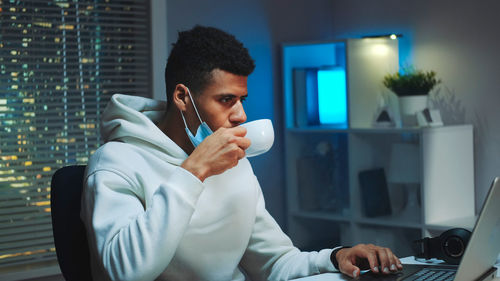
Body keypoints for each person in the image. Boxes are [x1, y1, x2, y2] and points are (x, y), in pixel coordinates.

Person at [81, 25, 403, 281]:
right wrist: (193, 172)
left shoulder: (234, 164)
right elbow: (123, 272)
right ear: (182, 96)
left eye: (242, 99)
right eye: (226, 100)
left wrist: (335, 257)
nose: (241, 116)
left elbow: (275, 264)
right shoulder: (115, 162)